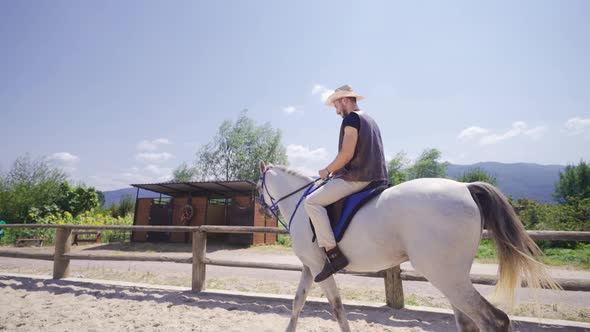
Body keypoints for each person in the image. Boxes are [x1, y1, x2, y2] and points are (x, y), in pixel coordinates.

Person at [304, 84, 388, 282]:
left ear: (344, 100)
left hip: (359, 178)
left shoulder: (351, 118)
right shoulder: (370, 119)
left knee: (312, 202)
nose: (335, 110)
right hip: (378, 176)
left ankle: (333, 255)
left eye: (335, 104)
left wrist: (328, 170)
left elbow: (347, 153)